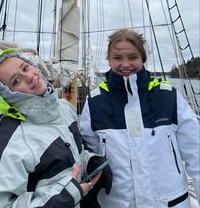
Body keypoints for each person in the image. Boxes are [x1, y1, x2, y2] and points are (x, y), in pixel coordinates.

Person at [0, 48, 112, 208]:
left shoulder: (64, 108)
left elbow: (75, 152)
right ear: (6, 95)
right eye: (16, 81)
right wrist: (66, 197)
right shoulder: (7, 143)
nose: (29, 77)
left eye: (25, 67)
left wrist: (89, 161)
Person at [80, 29, 200, 208]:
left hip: (169, 201)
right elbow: (87, 157)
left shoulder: (168, 97)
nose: (125, 64)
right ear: (109, 59)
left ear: (143, 58)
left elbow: (195, 151)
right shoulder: (95, 102)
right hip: (115, 202)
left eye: (133, 57)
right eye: (118, 58)